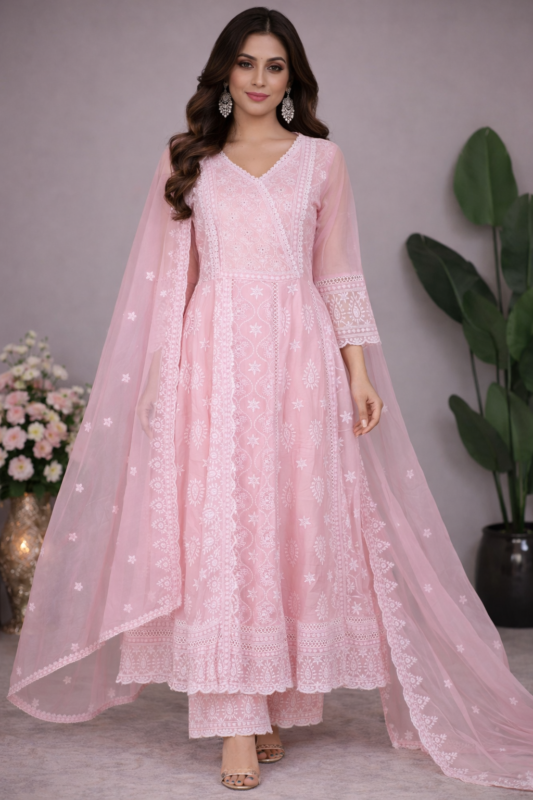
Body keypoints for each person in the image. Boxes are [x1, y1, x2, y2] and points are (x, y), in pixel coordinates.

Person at [7, 7, 533, 792]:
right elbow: (168, 286)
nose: (259, 79)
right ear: (225, 72)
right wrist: (158, 378)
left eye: (275, 66)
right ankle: (234, 720)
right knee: (223, 529)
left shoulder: (322, 161)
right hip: (213, 360)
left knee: (287, 528)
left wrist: (357, 372)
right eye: (246, 63)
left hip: (299, 360)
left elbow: (338, 272)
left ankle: (269, 707)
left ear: (293, 79)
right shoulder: (188, 159)